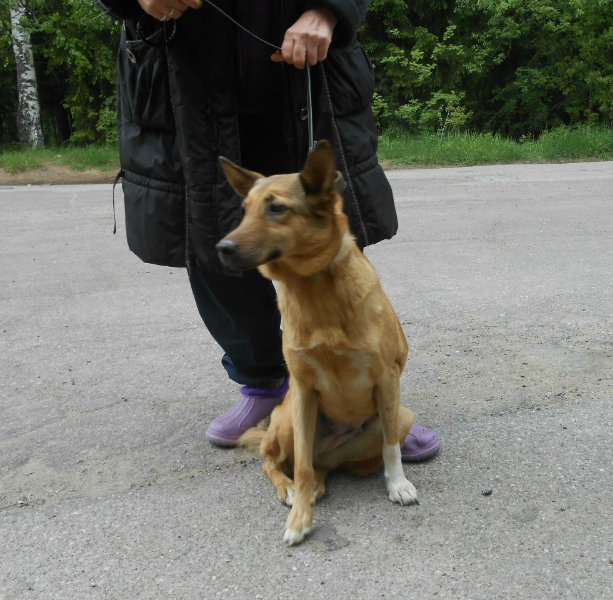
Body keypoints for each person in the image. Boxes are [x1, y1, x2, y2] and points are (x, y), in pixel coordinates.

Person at [95, 0, 440, 460]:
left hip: (308, 76)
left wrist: (330, 11)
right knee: (218, 247)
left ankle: (372, 403)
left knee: (327, 248)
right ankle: (261, 384)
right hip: (184, 87)